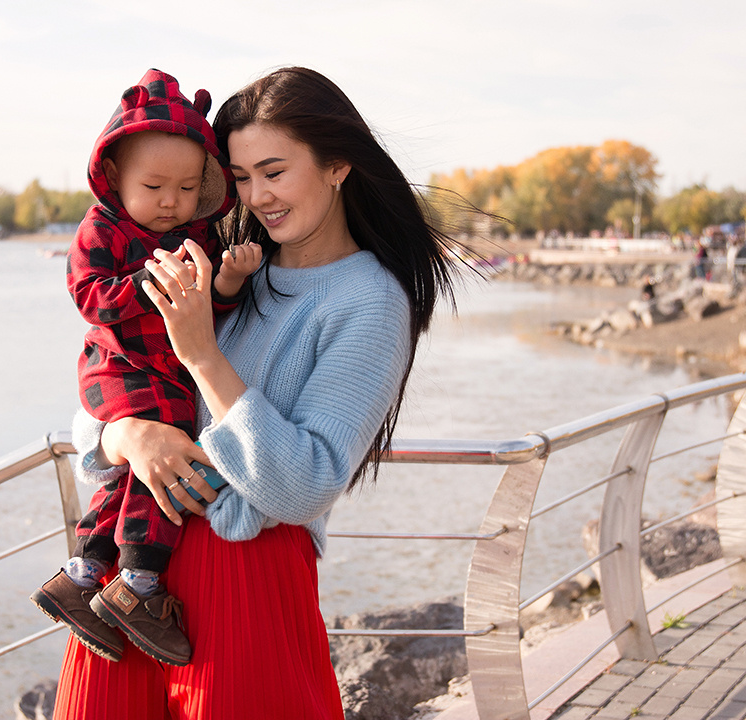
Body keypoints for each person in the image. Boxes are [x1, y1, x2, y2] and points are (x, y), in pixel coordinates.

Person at [51, 66, 462, 720]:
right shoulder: (232, 266)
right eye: (240, 178)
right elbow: (116, 379)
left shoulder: (369, 302)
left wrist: (203, 355)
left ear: (336, 166)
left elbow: (305, 484)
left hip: (242, 572)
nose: (257, 195)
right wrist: (121, 436)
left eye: (274, 171)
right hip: (133, 572)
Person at [31, 69, 261, 668]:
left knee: (146, 467)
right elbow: (91, 297)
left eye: (188, 188)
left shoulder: (197, 234)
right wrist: (148, 282)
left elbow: (208, 308)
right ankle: (138, 582)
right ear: (114, 177)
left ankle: (82, 574)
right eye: (155, 186)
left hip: (166, 370)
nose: (171, 202)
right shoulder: (102, 228)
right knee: (169, 459)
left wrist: (228, 278)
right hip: (120, 365)